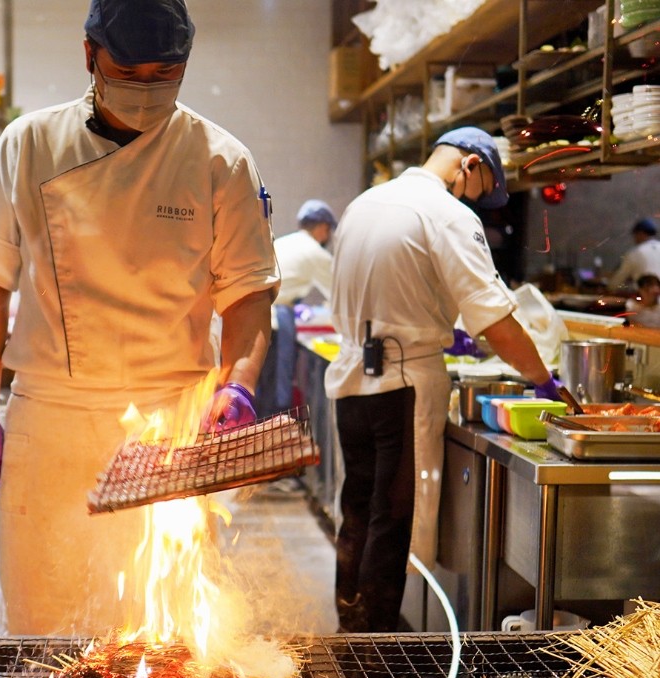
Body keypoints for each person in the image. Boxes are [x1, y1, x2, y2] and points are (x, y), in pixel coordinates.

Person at [0, 0, 279, 636]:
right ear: (89, 56)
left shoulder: (221, 160)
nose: (146, 90)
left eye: (165, 74)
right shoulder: (29, 143)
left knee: (163, 631)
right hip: (50, 421)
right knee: (39, 624)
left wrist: (236, 385)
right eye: (130, 72)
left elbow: (246, 296)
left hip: (168, 425)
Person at [323, 127, 561, 633]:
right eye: (480, 190)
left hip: (351, 380)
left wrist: (441, 328)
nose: (476, 201)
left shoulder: (367, 201)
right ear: (469, 165)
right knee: (393, 517)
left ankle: (351, 624)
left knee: (359, 506)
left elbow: (388, 283)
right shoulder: (448, 213)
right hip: (403, 383)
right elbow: (495, 318)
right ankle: (378, 642)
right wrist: (543, 379)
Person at [255, 200, 337, 417]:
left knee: (261, 386)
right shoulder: (315, 252)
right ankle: (273, 440)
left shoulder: (287, 241)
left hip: (257, 318)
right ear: (322, 228)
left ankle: (258, 437)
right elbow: (339, 293)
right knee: (277, 388)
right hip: (275, 323)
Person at [608, 218, 660, 291]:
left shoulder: (635, 253)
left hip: (647, 297)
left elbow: (617, 280)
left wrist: (609, 287)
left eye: (635, 235)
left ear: (640, 234)